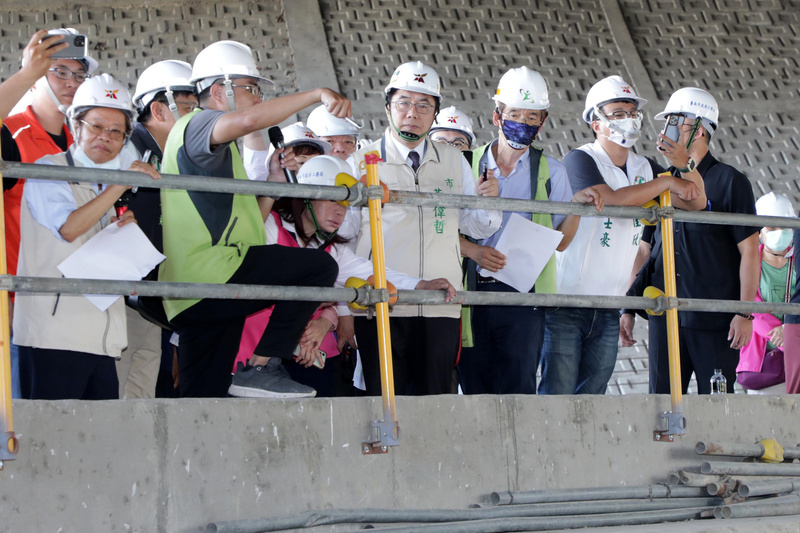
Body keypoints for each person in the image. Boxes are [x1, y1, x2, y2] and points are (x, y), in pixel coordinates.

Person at [158, 40, 351, 398]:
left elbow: (244, 224)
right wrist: (315, 94)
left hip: (202, 287)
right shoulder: (196, 125)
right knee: (318, 269)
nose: (258, 98)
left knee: (204, 394)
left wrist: (274, 185)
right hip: (212, 274)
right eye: (251, 88)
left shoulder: (219, 150)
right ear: (219, 90)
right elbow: (248, 119)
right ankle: (262, 365)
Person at [232, 156, 456, 397]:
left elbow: (371, 271)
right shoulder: (270, 228)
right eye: (333, 199)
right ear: (306, 196)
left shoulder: (332, 251)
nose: (340, 211)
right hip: (239, 363)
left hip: (284, 369)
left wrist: (421, 285)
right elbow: (242, 243)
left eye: (346, 204)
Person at [538, 75, 706, 395]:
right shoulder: (581, 158)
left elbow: (697, 201)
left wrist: (683, 165)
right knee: (556, 395)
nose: (628, 118)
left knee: (593, 395)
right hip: (565, 303)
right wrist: (667, 182)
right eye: (617, 113)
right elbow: (610, 200)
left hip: (609, 306)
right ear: (595, 123)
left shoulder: (645, 167)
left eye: (631, 112)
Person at [345, 60, 501, 396]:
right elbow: (344, 233)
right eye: (403, 103)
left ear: (434, 114)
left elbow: (476, 225)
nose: (412, 113)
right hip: (381, 302)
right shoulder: (361, 161)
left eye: (423, 105)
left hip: (439, 304)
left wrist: (488, 200)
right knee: (385, 403)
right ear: (388, 107)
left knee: (436, 405)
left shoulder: (453, 160)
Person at [457, 66, 603, 395]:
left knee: (520, 389)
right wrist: (475, 251)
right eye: (515, 114)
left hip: (523, 299)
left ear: (543, 122)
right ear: (497, 116)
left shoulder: (553, 172)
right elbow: (444, 229)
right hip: (471, 294)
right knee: (474, 388)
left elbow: (561, 244)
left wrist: (575, 209)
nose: (523, 123)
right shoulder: (466, 164)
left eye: (532, 117)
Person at [13, 74, 160, 400]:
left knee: (99, 444)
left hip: (103, 340)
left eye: (116, 131)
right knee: (49, 443)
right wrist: (119, 185)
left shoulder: (105, 185)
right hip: (52, 337)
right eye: (96, 126)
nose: (105, 137)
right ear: (74, 125)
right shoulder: (48, 170)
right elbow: (68, 228)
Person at [624, 87, 760, 394]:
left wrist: (744, 313)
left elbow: (750, 252)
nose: (667, 128)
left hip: (715, 323)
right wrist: (628, 307)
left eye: (675, 120)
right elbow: (645, 249)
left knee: (715, 408)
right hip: (665, 318)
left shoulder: (730, 182)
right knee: (661, 408)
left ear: (699, 128)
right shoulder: (662, 182)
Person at [1, 28, 98, 399]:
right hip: (18, 301)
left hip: (74, 303)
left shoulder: (87, 141)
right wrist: (26, 72)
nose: (71, 83)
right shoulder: (11, 133)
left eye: (79, 75)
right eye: (59, 71)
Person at [113, 60, 199, 399]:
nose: (194, 116)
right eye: (187, 106)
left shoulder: (172, 157)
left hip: (149, 299)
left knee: (141, 395)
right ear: (158, 108)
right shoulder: (128, 150)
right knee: (118, 393)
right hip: (118, 297)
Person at [737, 192, 795, 394]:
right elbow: (752, 308)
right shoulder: (749, 263)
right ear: (759, 232)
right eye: (771, 228)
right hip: (763, 367)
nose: (779, 232)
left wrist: (789, 330)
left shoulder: (798, 262)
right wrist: (789, 335)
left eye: (784, 226)